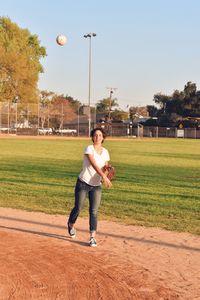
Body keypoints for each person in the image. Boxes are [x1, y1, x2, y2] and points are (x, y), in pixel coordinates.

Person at [67, 127, 112, 247]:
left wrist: (105, 175)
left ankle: (92, 237)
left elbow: (104, 168)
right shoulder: (89, 149)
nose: (98, 137)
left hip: (96, 185)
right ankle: (71, 224)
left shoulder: (106, 152)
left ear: (103, 138)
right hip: (83, 182)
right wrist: (104, 175)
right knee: (78, 207)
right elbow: (94, 165)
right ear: (92, 137)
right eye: (96, 135)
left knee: (94, 211)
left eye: (100, 135)